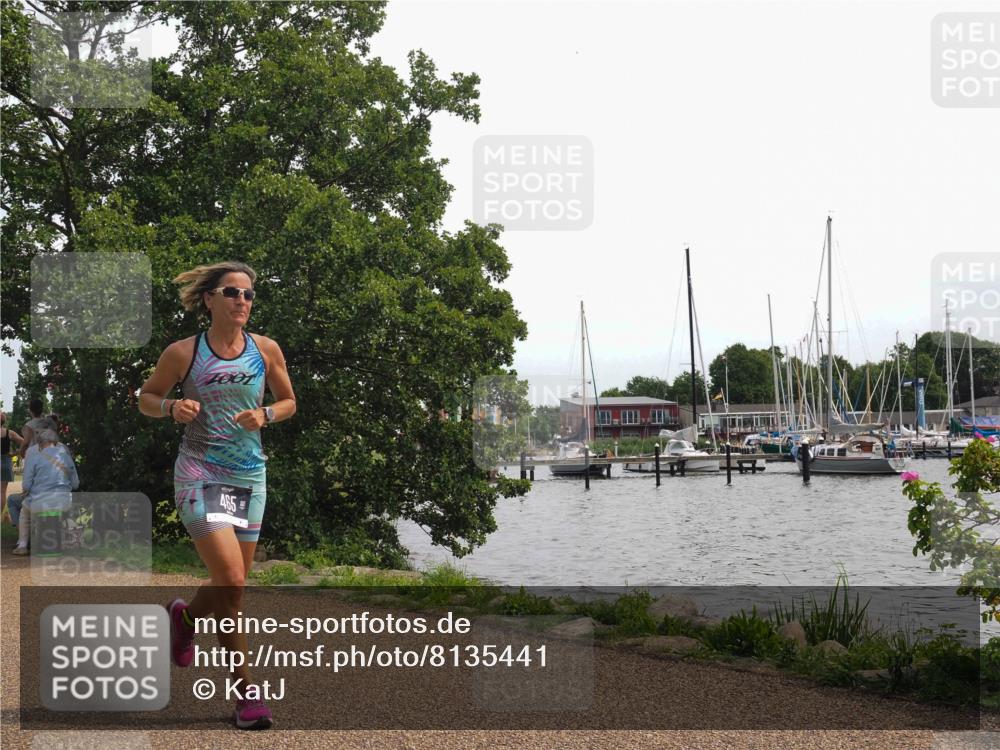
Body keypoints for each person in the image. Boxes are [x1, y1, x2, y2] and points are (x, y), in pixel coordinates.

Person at [139, 261, 295, 730]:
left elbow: (289, 402)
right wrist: (171, 406)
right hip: (199, 471)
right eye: (232, 293)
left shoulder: (265, 350)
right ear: (209, 299)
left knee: (234, 585)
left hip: (249, 476)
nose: (242, 301)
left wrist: (266, 414)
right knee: (229, 578)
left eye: (249, 295)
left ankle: (185, 619)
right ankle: (246, 693)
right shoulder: (183, 353)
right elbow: (147, 398)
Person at [12, 427, 79, 555]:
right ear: (55, 441)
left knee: (24, 512)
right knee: (63, 509)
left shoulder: (34, 455)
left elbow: (26, 485)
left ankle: (22, 545)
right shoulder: (65, 455)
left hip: (40, 502)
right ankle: (69, 540)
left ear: (40, 443)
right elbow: (76, 484)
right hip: (64, 502)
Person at [1, 412, 25, 525]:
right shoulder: (9, 433)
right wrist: (16, 453)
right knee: (2, 492)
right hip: (5, 461)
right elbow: (24, 442)